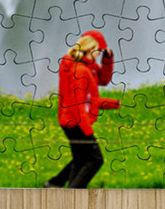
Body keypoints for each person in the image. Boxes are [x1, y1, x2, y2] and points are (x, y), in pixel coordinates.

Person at [44, 31, 120, 188]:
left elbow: (101, 83)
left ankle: (58, 187)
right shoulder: (80, 70)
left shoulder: (85, 65)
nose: (100, 54)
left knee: (80, 160)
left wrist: (108, 59)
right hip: (76, 121)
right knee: (95, 159)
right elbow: (78, 104)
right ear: (90, 48)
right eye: (100, 50)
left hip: (70, 119)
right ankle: (67, 189)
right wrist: (88, 132)